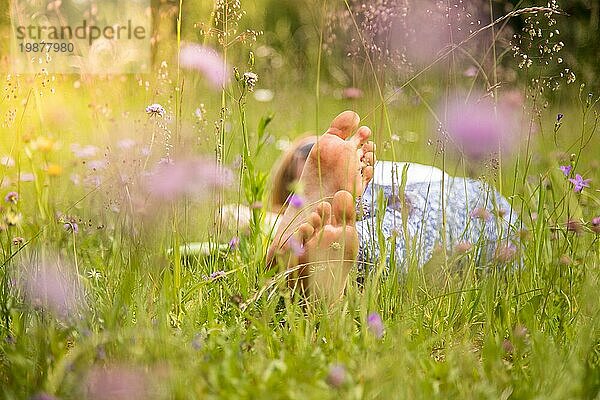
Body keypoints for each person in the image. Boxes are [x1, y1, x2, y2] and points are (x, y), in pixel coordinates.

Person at [266, 111, 518, 302]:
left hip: (478, 206)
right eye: (306, 153)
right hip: (484, 237)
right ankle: (309, 263)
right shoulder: (335, 205)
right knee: (359, 232)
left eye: (313, 150)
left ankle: (298, 264)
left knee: (378, 227)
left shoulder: (372, 174)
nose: (311, 156)